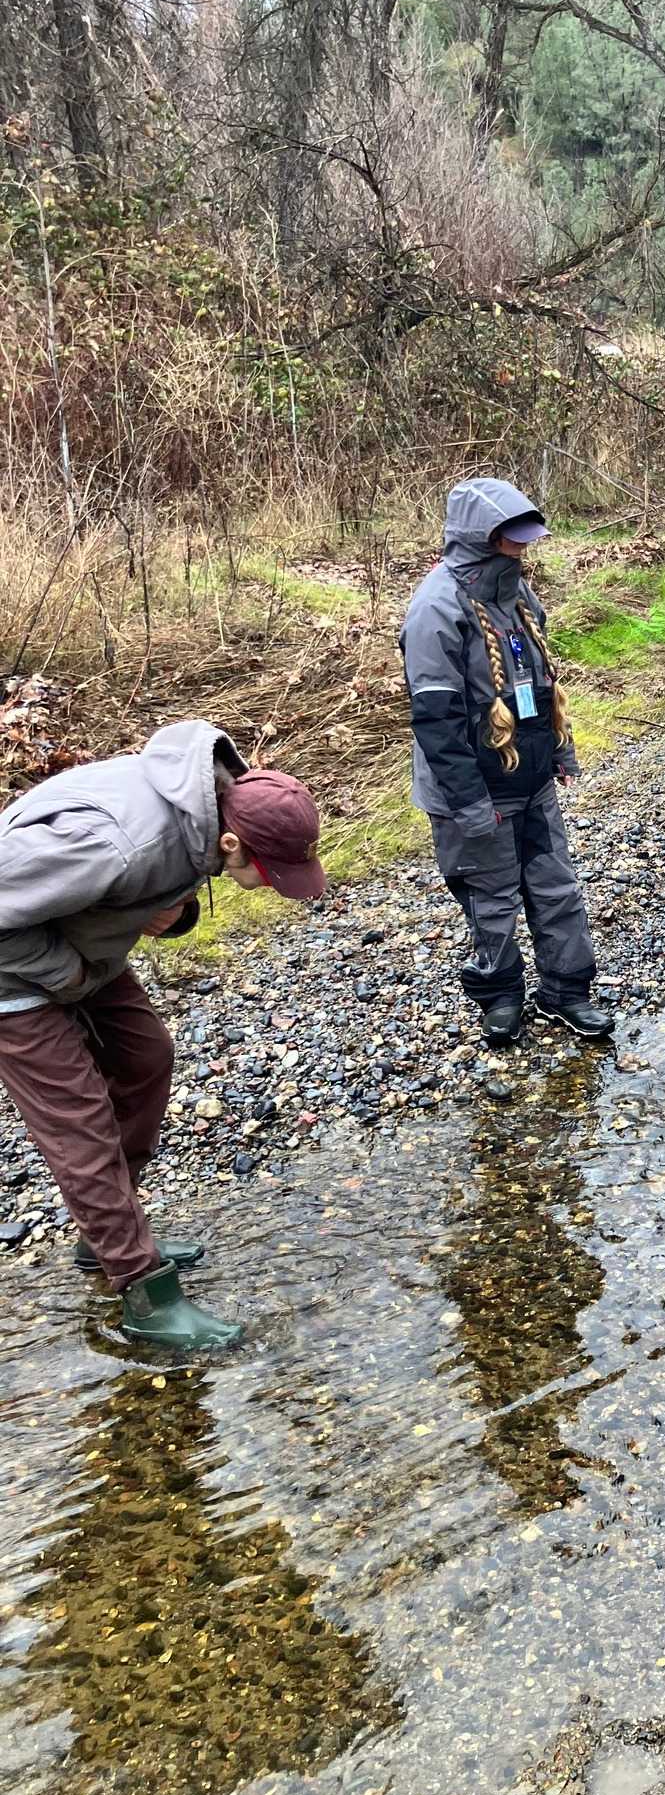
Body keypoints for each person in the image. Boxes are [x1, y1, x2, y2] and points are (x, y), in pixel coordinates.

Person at [0, 722, 326, 1352]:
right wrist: (65, 975)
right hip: (15, 973)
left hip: (75, 948)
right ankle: (145, 1293)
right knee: (80, 1120)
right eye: (272, 871)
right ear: (231, 840)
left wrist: (175, 914)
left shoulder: (204, 810)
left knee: (147, 1056)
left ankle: (108, 1234)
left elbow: (145, 893)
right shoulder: (114, 844)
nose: (279, 884)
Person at [401, 477, 615, 1046]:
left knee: (556, 888)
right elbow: (435, 722)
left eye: (525, 537)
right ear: (482, 537)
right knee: (490, 898)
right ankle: (501, 997)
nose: (523, 547)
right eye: (512, 537)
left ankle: (565, 992)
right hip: (473, 791)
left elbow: (542, 685)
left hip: (531, 777)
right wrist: (469, 805)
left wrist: (560, 750)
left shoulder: (516, 594)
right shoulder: (436, 608)